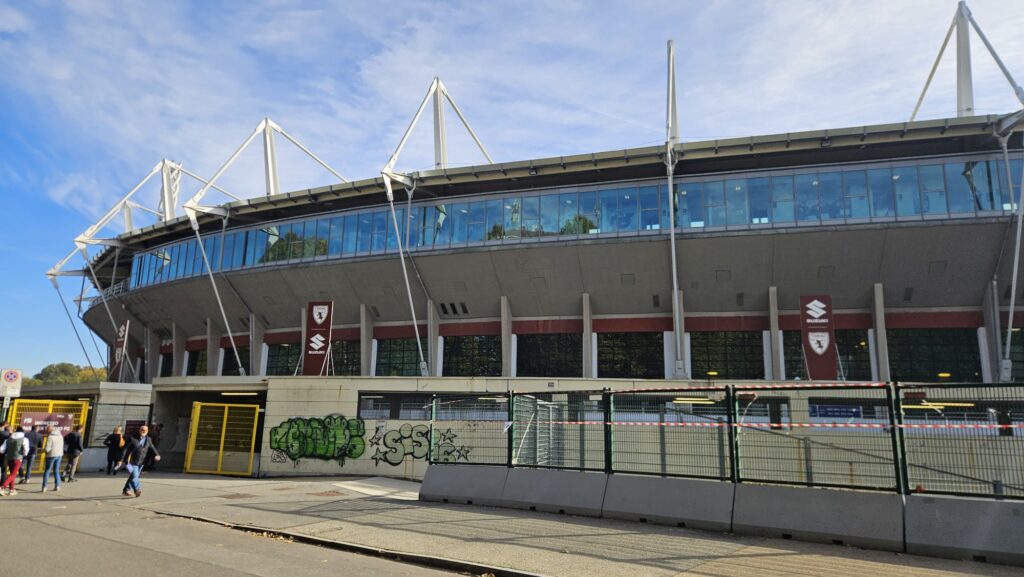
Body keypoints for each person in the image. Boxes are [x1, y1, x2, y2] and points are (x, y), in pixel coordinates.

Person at [118, 424, 160, 498]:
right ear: (139, 430)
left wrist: (157, 455)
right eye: (142, 430)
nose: (143, 431)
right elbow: (125, 449)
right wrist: (121, 459)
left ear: (147, 431)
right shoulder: (132, 438)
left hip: (141, 461)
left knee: (133, 476)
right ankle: (137, 490)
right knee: (135, 475)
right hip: (131, 461)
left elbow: (152, 448)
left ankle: (126, 490)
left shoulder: (148, 439)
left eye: (145, 430)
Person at [0, 427, 29, 496]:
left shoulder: (8, 439)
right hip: (18, 458)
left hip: (9, 458)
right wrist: (24, 453)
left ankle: (11, 490)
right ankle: (2, 487)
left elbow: (1, 450)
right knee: (13, 474)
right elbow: (26, 451)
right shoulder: (24, 439)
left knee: (11, 473)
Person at [41, 425, 64, 493]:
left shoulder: (50, 437)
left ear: (50, 430)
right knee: (56, 470)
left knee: (47, 471)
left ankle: (44, 487)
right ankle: (57, 486)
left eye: (47, 430)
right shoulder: (60, 436)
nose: (46, 431)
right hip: (59, 455)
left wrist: (43, 450)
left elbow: (47, 449)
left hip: (51, 455)